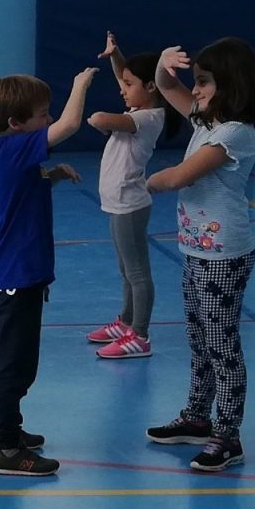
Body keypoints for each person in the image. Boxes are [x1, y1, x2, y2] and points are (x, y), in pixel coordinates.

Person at [143, 38, 255, 472]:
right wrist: (163, 65)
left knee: (222, 345)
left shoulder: (234, 133)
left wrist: (142, 183)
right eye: (194, 82)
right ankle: (197, 417)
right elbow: (165, 86)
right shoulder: (206, 122)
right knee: (199, 340)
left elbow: (181, 176)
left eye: (203, 82)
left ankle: (228, 435)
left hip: (224, 257)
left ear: (230, 85)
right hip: (196, 252)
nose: (194, 91)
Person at [0, 66, 97, 476]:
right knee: (16, 364)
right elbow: (70, 125)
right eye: (41, 114)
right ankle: (8, 451)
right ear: (16, 124)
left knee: (6, 357)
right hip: (17, 276)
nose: (47, 119)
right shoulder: (14, 147)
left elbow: (23, 188)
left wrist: (52, 176)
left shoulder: (8, 148)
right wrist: (78, 85)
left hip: (16, 274)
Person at [85, 31, 179, 359]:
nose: (121, 90)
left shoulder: (146, 118)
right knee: (126, 269)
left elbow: (97, 118)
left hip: (131, 205)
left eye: (128, 86)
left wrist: (103, 121)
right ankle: (126, 322)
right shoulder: (140, 109)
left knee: (138, 272)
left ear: (151, 87)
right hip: (119, 204)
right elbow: (131, 79)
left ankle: (140, 335)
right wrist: (116, 55)